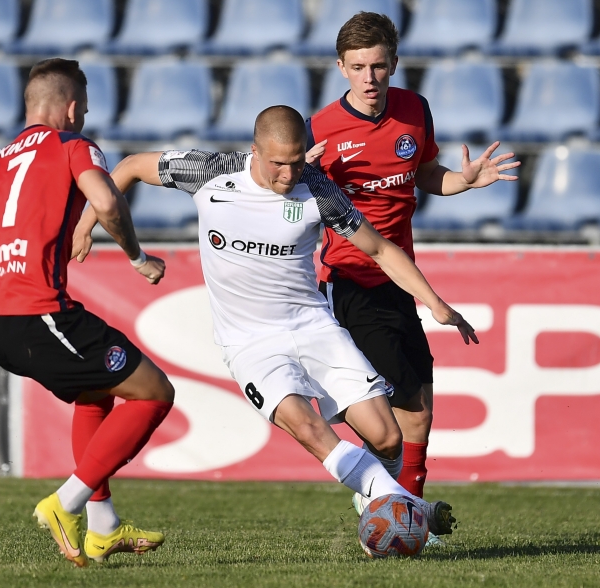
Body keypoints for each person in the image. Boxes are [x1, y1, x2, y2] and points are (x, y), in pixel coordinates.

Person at [73, 105, 478, 539]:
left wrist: (434, 303)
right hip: (250, 343)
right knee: (308, 426)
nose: (288, 174)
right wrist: (85, 224)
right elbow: (131, 166)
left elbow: (378, 248)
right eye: (278, 163)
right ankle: (410, 512)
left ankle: (377, 498)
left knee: (388, 438)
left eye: (297, 161)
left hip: (314, 327)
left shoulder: (317, 188)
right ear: (255, 151)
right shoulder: (211, 172)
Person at [0, 58, 174, 567]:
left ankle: (103, 528)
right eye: (85, 109)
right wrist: (138, 258)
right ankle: (66, 502)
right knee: (154, 392)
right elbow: (106, 201)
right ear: (73, 108)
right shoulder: (73, 146)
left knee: (95, 392)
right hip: (37, 313)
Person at [306, 12, 519, 514]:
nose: (369, 78)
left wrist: (463, 181)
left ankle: (404, 514)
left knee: (419, 412)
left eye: (378, 66)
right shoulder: (319, 129)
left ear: (394, 64)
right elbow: (292, 198)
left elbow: (423, 173)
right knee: (399, 411)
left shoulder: (414, 110)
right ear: (341, 67)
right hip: (350, 279)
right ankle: (386, 503)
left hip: (400, 279)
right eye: (358, 67)